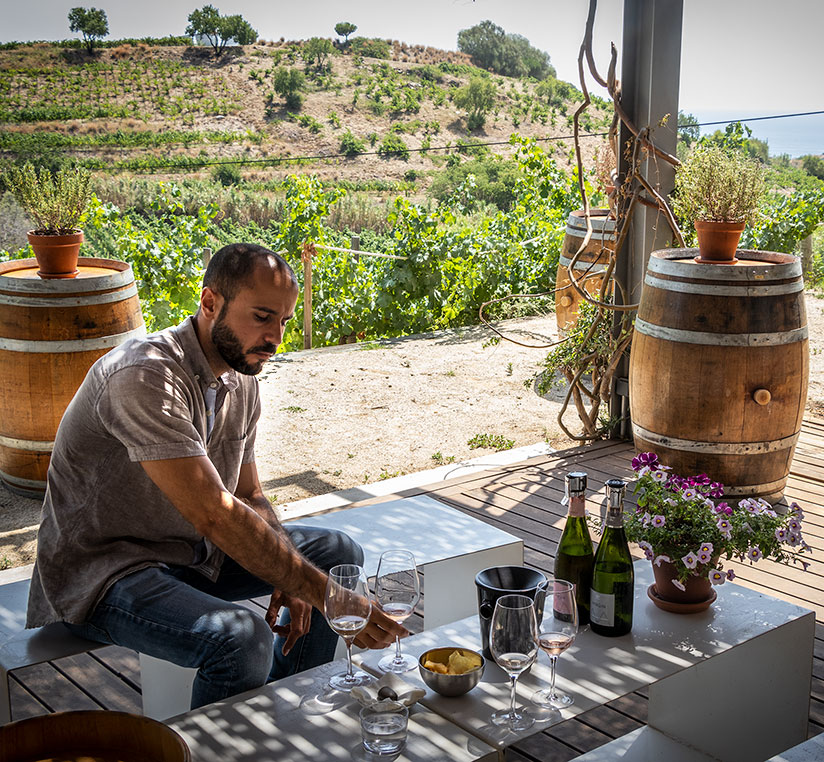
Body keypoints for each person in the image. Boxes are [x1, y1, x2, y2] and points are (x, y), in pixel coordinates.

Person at [27, 243, 405, 709]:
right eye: (262, 317)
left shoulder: (242, 379)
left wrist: (294, 572)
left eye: (284, 322)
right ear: (209, 303)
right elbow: (216, 513)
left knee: (336, 552)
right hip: (106, 573)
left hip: (190, 554)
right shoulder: (145, 376)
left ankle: (299, 709)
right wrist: (324, 593)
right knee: (242, 637)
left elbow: (250, 494)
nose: (276, 338)